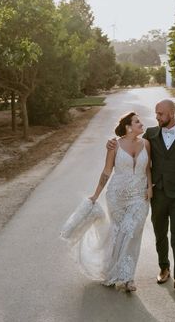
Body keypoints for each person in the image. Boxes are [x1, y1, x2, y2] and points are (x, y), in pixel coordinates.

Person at [108, 99, 175, 290]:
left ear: (171, 113)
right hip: (158, 193)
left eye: (160, 114)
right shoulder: (151, 134)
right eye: (156, 113)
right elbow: (130, 140)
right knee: (160, 233)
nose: (157, 117)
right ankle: (164, 268)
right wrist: (112, 142)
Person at [63, 111, 152, 292]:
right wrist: (95, 195)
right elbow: (106, 171)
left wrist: (150, 187)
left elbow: (148, 169)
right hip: (116, 197)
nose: (141, 124)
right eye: (137, 122)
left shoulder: (146, 144)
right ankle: (115, 271)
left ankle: (128, 278)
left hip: (139, 196)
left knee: (132, 232)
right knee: (119, 233)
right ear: (128, 127)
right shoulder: (115, 146)